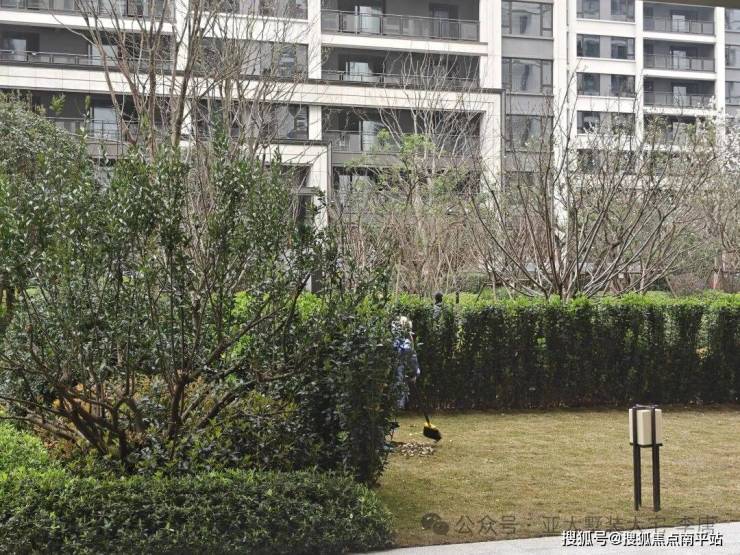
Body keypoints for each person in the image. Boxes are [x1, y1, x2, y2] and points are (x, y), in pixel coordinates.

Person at [391, 316, 421, 410]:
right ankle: (398, 407)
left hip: (389, 373)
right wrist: (416, 373)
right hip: (398, 373)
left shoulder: (392, 338)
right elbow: (412, 359)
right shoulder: (407, 342)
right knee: (399, 387)